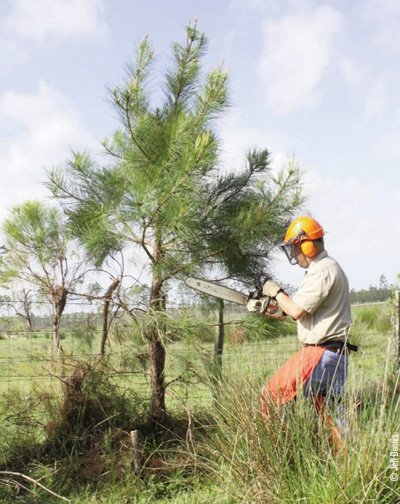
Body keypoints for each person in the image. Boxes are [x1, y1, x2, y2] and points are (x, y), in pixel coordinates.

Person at [253, 215, 355, 444]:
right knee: (331, 416)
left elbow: (298, 311)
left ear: (307, 244)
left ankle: (274, 452)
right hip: (336, 355)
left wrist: (276, 292)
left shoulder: (322, 270)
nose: (293, 254)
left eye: (294, 248)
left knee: (269, 395)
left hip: (319, 353)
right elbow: (306, 315)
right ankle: (347, 459)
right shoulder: (330, 268)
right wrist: (278, 310)